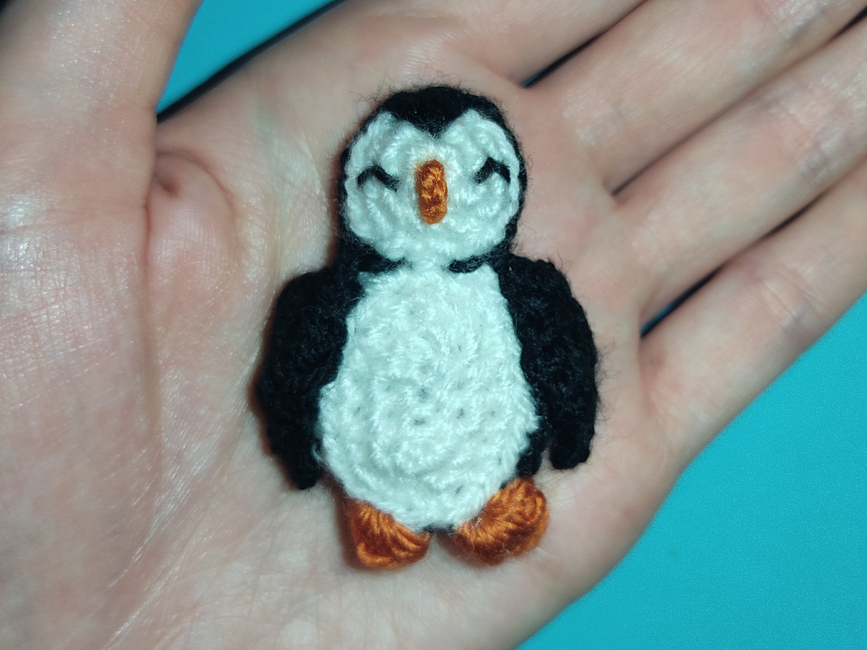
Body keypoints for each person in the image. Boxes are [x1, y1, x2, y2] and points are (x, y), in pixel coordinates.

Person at [1, 0, 866, 647]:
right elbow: (296, 375)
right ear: (362, 187)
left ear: (503, 183)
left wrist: (568, 433)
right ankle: (381, 515)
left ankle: (485, 503)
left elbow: (560, 362)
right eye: (403, 177)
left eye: (462, 175)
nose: (431, 193)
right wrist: (300, 455)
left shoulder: (524, 292)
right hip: (364, 472)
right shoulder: (328, 300)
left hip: (487, 459)